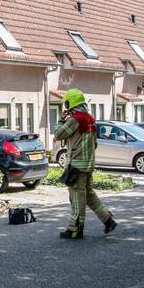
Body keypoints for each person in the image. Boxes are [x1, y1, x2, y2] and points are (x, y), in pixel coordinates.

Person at [52, 88, 116, 239]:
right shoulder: (90, 118)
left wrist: (61, 120)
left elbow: (58, 134)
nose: (66, 107)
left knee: (76, 197)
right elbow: (94, 143)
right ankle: (108, 220)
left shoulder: (75, 119)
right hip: (88, 164)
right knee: (88, 194)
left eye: (66, 104)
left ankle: (75, 229)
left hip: (76, 165)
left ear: (70, 103)